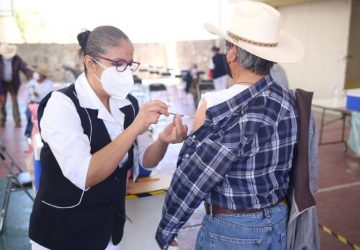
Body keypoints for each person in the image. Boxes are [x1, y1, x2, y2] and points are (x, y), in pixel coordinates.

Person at [156, 1, 305, 249]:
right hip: (278, 220)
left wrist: (168, 227)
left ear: (233, 53)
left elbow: (196, 175)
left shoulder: (218, 105)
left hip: (232, 230)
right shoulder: (287, 99)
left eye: (228, 48)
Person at [29, 26, 188, 250]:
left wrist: (163, 139)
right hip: (62, 233)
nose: (125, 72)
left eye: (129, 64)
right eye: (117, 64)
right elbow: (85, 175)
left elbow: (145, 160)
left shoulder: (127, 103)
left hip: (107, 231)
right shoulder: (61, 104)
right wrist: (134, 128)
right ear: (90, 63)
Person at [0, 44, 33, 127]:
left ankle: (17, 121)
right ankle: (2, 120)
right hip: (1, 83)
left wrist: (29, 75)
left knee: (15, 102)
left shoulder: (16, 59)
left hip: (13, 83)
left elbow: (24, 67)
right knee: (2, 102)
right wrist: (1, 91)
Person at [24, 65, 53, 140]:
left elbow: (48, 95)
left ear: (43, 75)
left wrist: (39, 95)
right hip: (33, 103)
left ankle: (43, 133)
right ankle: (29, 133)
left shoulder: (48, 83)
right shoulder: (32, 83)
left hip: (43, 103)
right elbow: (27, 95)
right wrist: (29, 100)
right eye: (38, 73)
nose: (38, 75)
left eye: (40, 74)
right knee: (28, 113)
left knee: (43, 117)